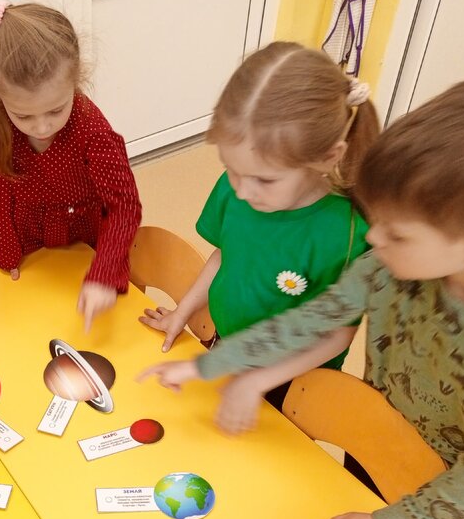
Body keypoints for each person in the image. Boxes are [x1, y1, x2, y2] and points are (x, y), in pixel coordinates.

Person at [140, 71, 464, 519]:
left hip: (453, 501)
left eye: (397, 233)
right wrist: (216, 363)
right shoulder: (387, 266)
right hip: (375, 432)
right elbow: (308, 320)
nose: (373, 239)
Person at [140, 42, 379, 424]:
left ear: (327, 157)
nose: (242, 192)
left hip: (294, 381)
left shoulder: (348, 234)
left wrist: (259, 381)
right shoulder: (239, 189)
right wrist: (182, 312)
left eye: (265, 180)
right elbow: (225, 254)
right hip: (228, 345)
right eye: (232, 170)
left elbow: (335, 334)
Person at [0, 1, 142, 332]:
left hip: (86, 244)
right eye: (24, 116)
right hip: (30, 240)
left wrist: (104, 275)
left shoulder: (94, 132)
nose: (42, 127)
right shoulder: (0, 114)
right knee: (26, 324)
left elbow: (124, 206)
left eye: (56, 110)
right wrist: (5, 248)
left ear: (75, 81)